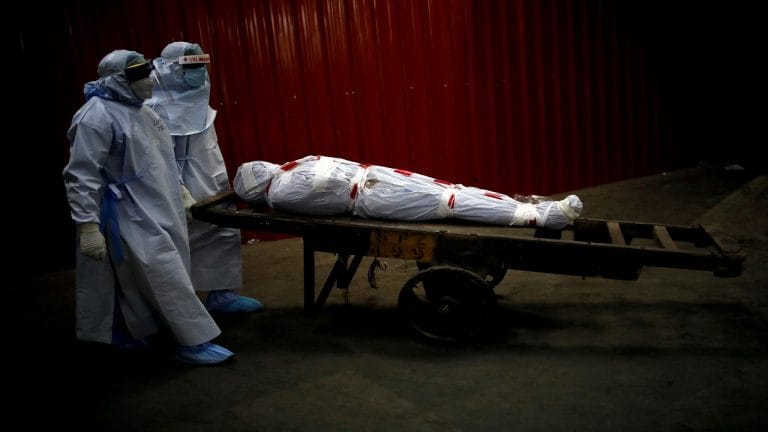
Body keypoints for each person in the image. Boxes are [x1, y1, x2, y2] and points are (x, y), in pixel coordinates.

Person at [63, 49, 234, 365]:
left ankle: (132, 333)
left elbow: (163, 160)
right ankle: (192, 340)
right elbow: (82, 174)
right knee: (163, 273)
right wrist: (87, 224)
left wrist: (181, 192)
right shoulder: (95, 117)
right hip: (126, 211)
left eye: (146, 72)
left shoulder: (145, 113)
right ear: (118, 79)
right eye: (137, 75)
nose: (147, 81)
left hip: (158, 205)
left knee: (142, 277)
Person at [147, 41, 262, 314]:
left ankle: (222, 294)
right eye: (192, 67)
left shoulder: (197, 92)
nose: (199, 72)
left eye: (201, 65)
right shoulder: (155, 107)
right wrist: (180, 191)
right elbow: (160, 159)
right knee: (178, 241)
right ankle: (179, 307)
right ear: (171, 69)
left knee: (222, 232)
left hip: (210, 176)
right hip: (180, 186)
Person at [234, 155, 583, 229]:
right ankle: (540, 217)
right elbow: (328, 184)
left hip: (372, 178)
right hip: (369, 197)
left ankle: (532, 209)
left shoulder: (288, 171)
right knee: (447, 203)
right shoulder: (282, 192)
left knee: (451, 190)